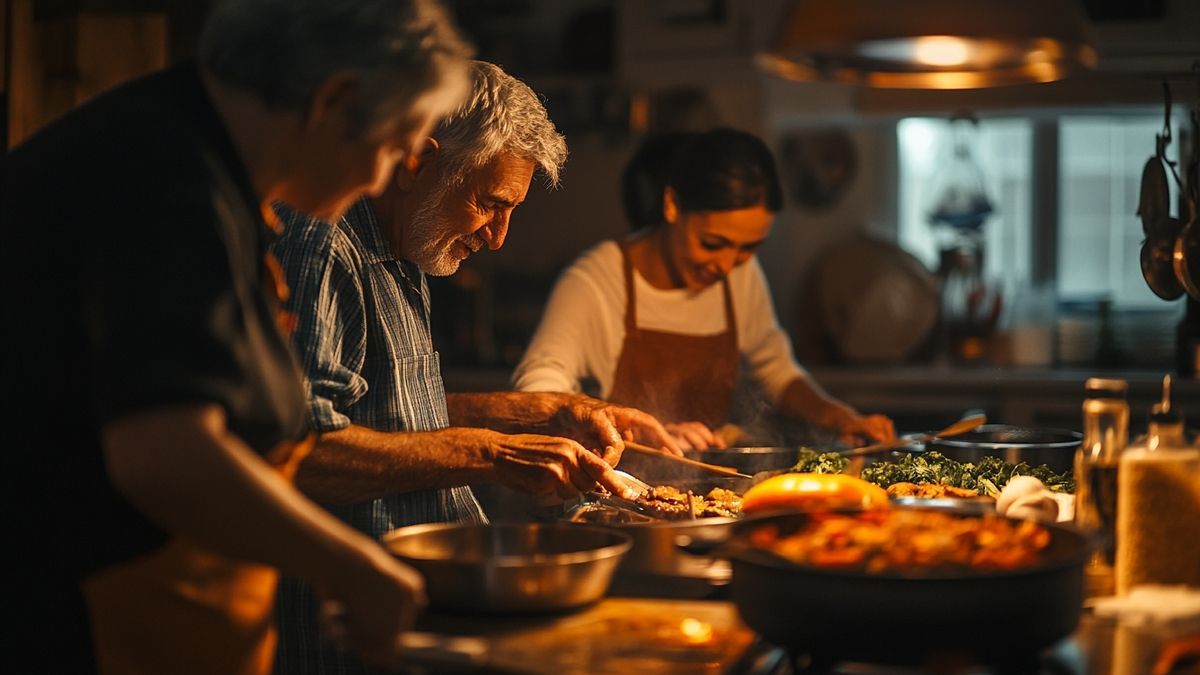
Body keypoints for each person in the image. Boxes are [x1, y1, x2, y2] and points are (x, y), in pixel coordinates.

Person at [1, 1, 474, 673]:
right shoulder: (163, 180)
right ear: (334, 99)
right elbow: (164, 454)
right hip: (76, 632)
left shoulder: (214, 177)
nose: (382, 179)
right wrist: (353, 567)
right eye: (397, 148)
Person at [271, 60, 679, 674]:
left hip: (421, 613)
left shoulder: (407, 244)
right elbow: (299, 449)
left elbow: (384, 408)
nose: (498, 238)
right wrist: (496, 454)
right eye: (490, 204)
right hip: (347, 631)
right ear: (418, 162)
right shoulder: (322, 242)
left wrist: (536, 414)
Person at [512, 128, 896, 450]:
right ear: (672, 205)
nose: (727, 265)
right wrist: (628, 431)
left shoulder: (740, 277)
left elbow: (777, 369)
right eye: (712, 244)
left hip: (709, 490)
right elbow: (539, 386)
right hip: (620, 495)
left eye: (748, 248)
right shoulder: (597, 280)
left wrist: (839, 418)